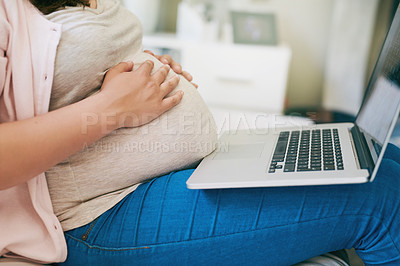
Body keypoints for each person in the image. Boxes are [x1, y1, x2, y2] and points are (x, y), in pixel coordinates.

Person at [0, 0, 399, 265]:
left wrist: (145, 69)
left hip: (159, 178)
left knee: (382, 158)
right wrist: (113, 108)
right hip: (93, 217)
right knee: (380, 199)